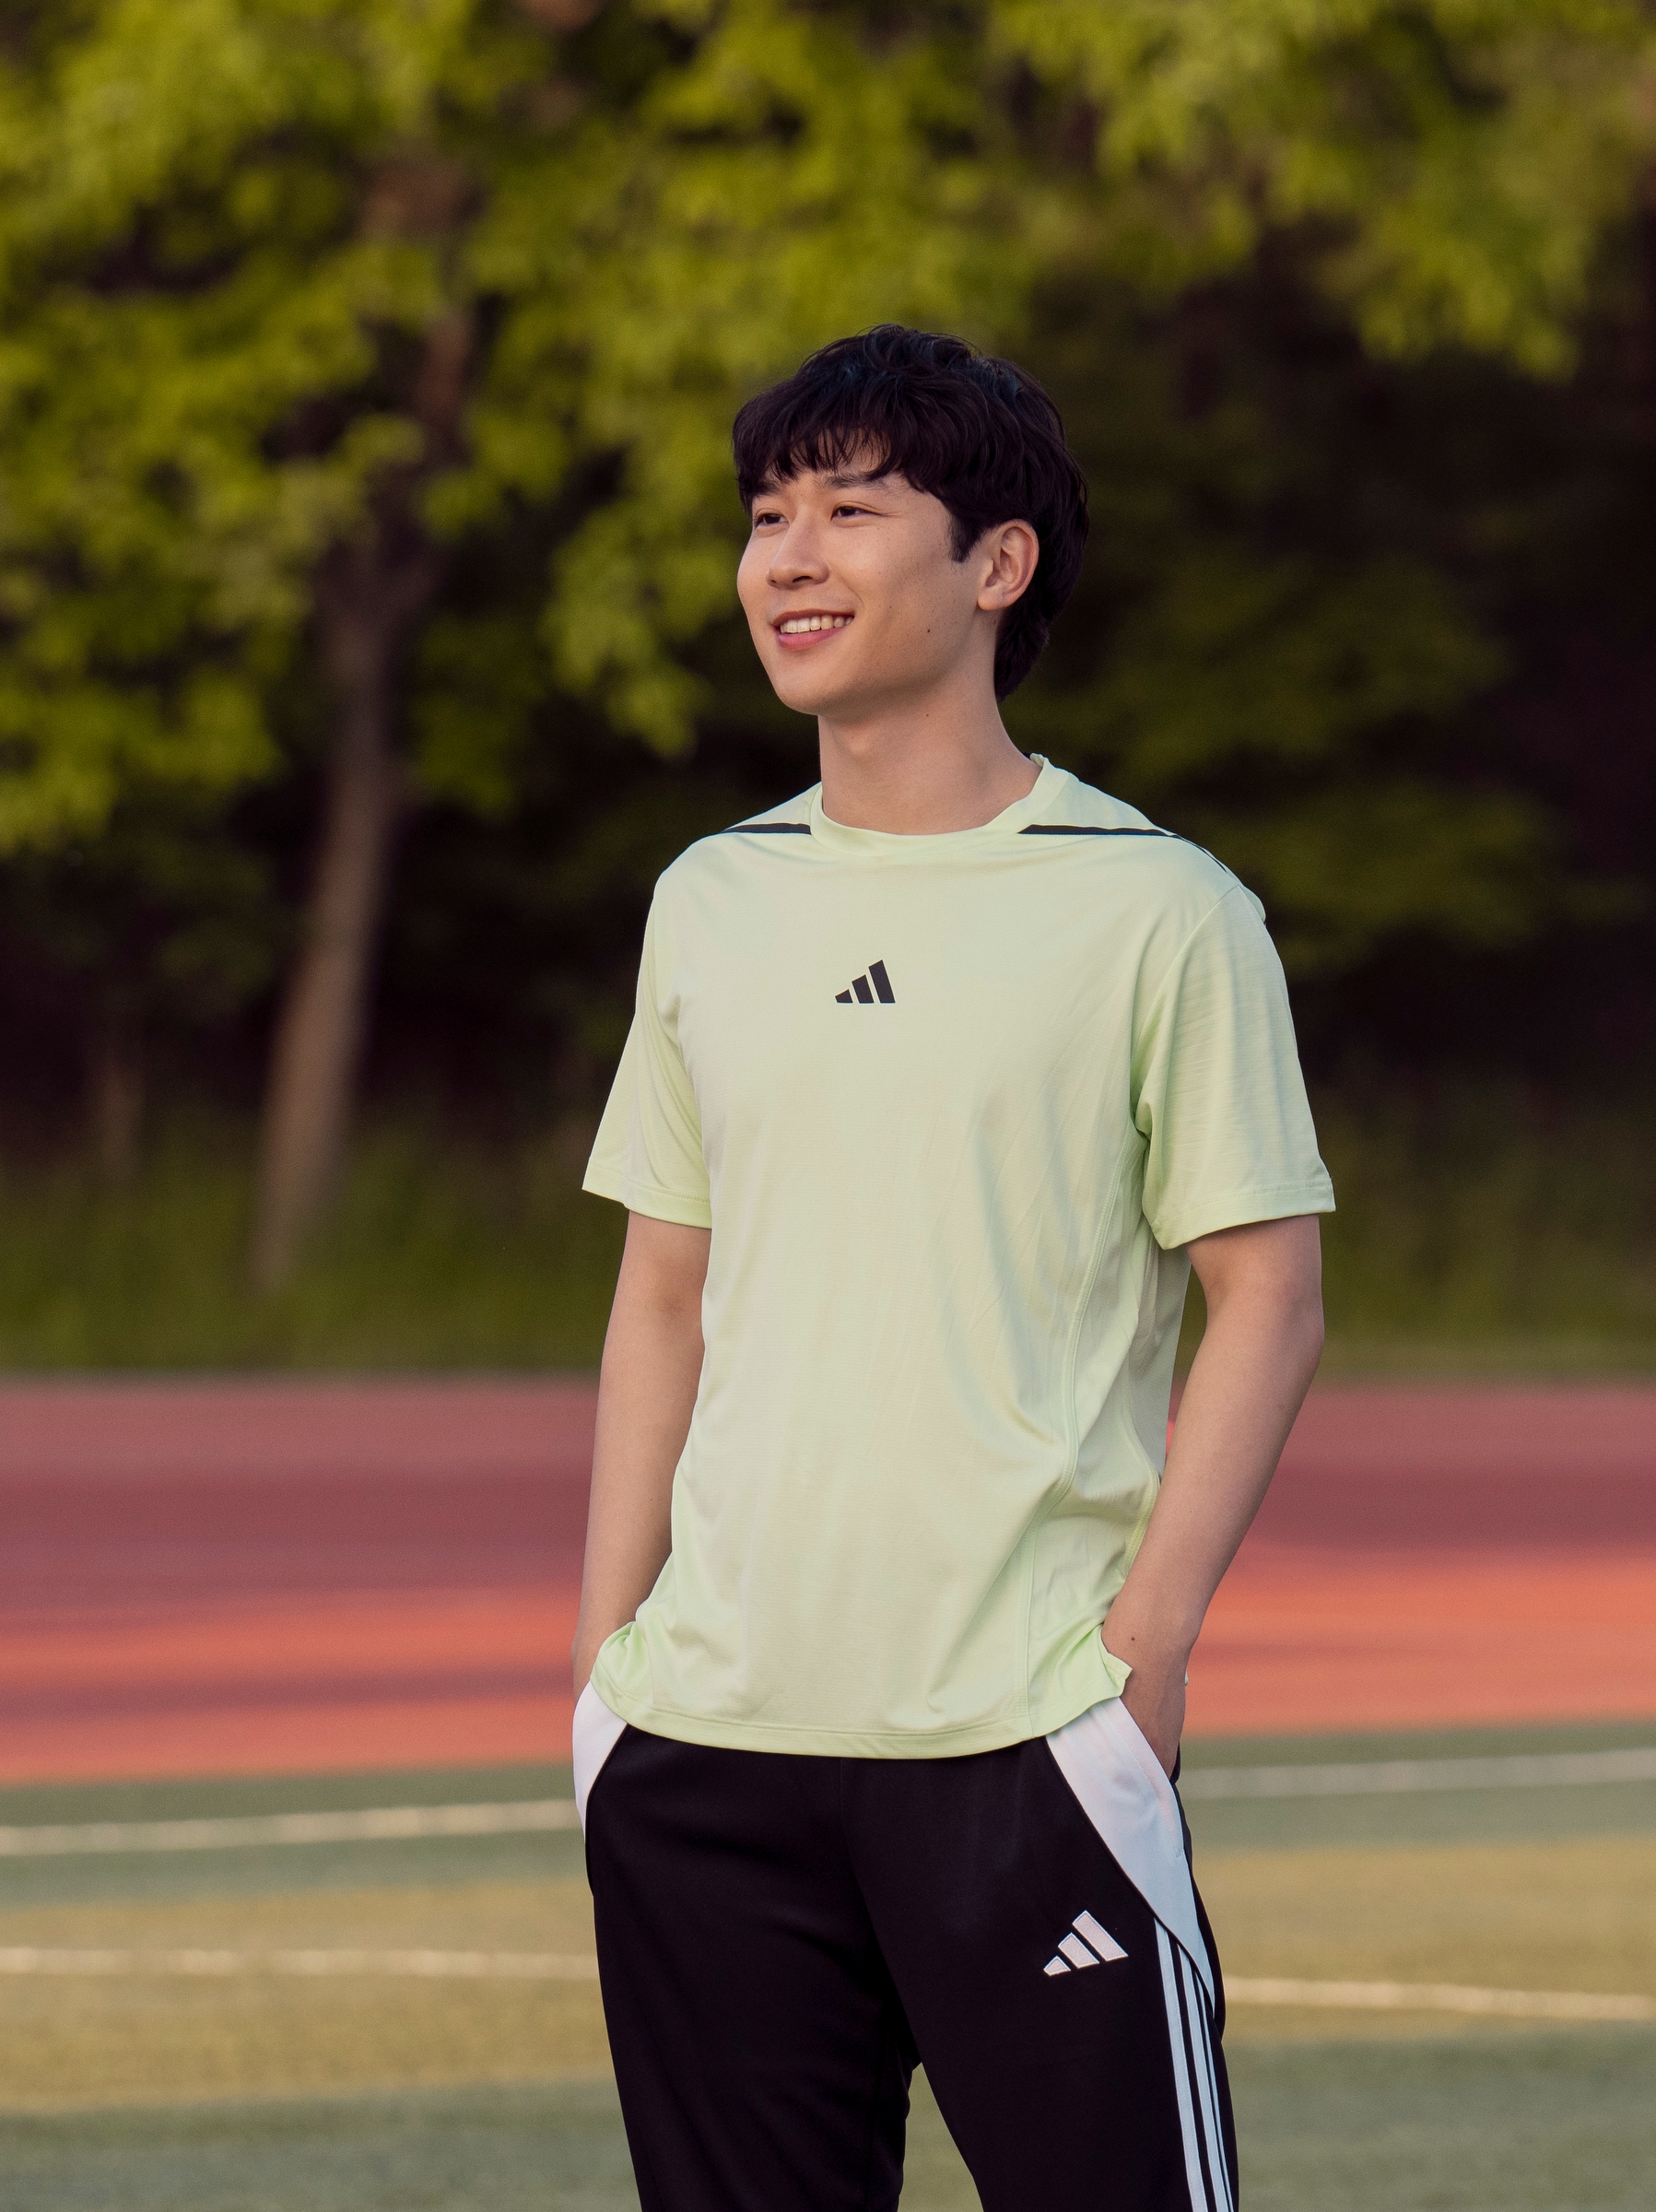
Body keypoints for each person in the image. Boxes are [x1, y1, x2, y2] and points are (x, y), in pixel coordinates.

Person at [570, 325, 1333, 2212]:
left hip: (1024, 1737)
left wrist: (1142, 1655)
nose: (789, 558)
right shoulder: (712, 902)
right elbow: (664, 1287)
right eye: (765, 516)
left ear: (997, 564)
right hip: (708, 1744)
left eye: (850, 509)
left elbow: (1270, 1292)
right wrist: (605, 1664)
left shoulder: (1158, 908)